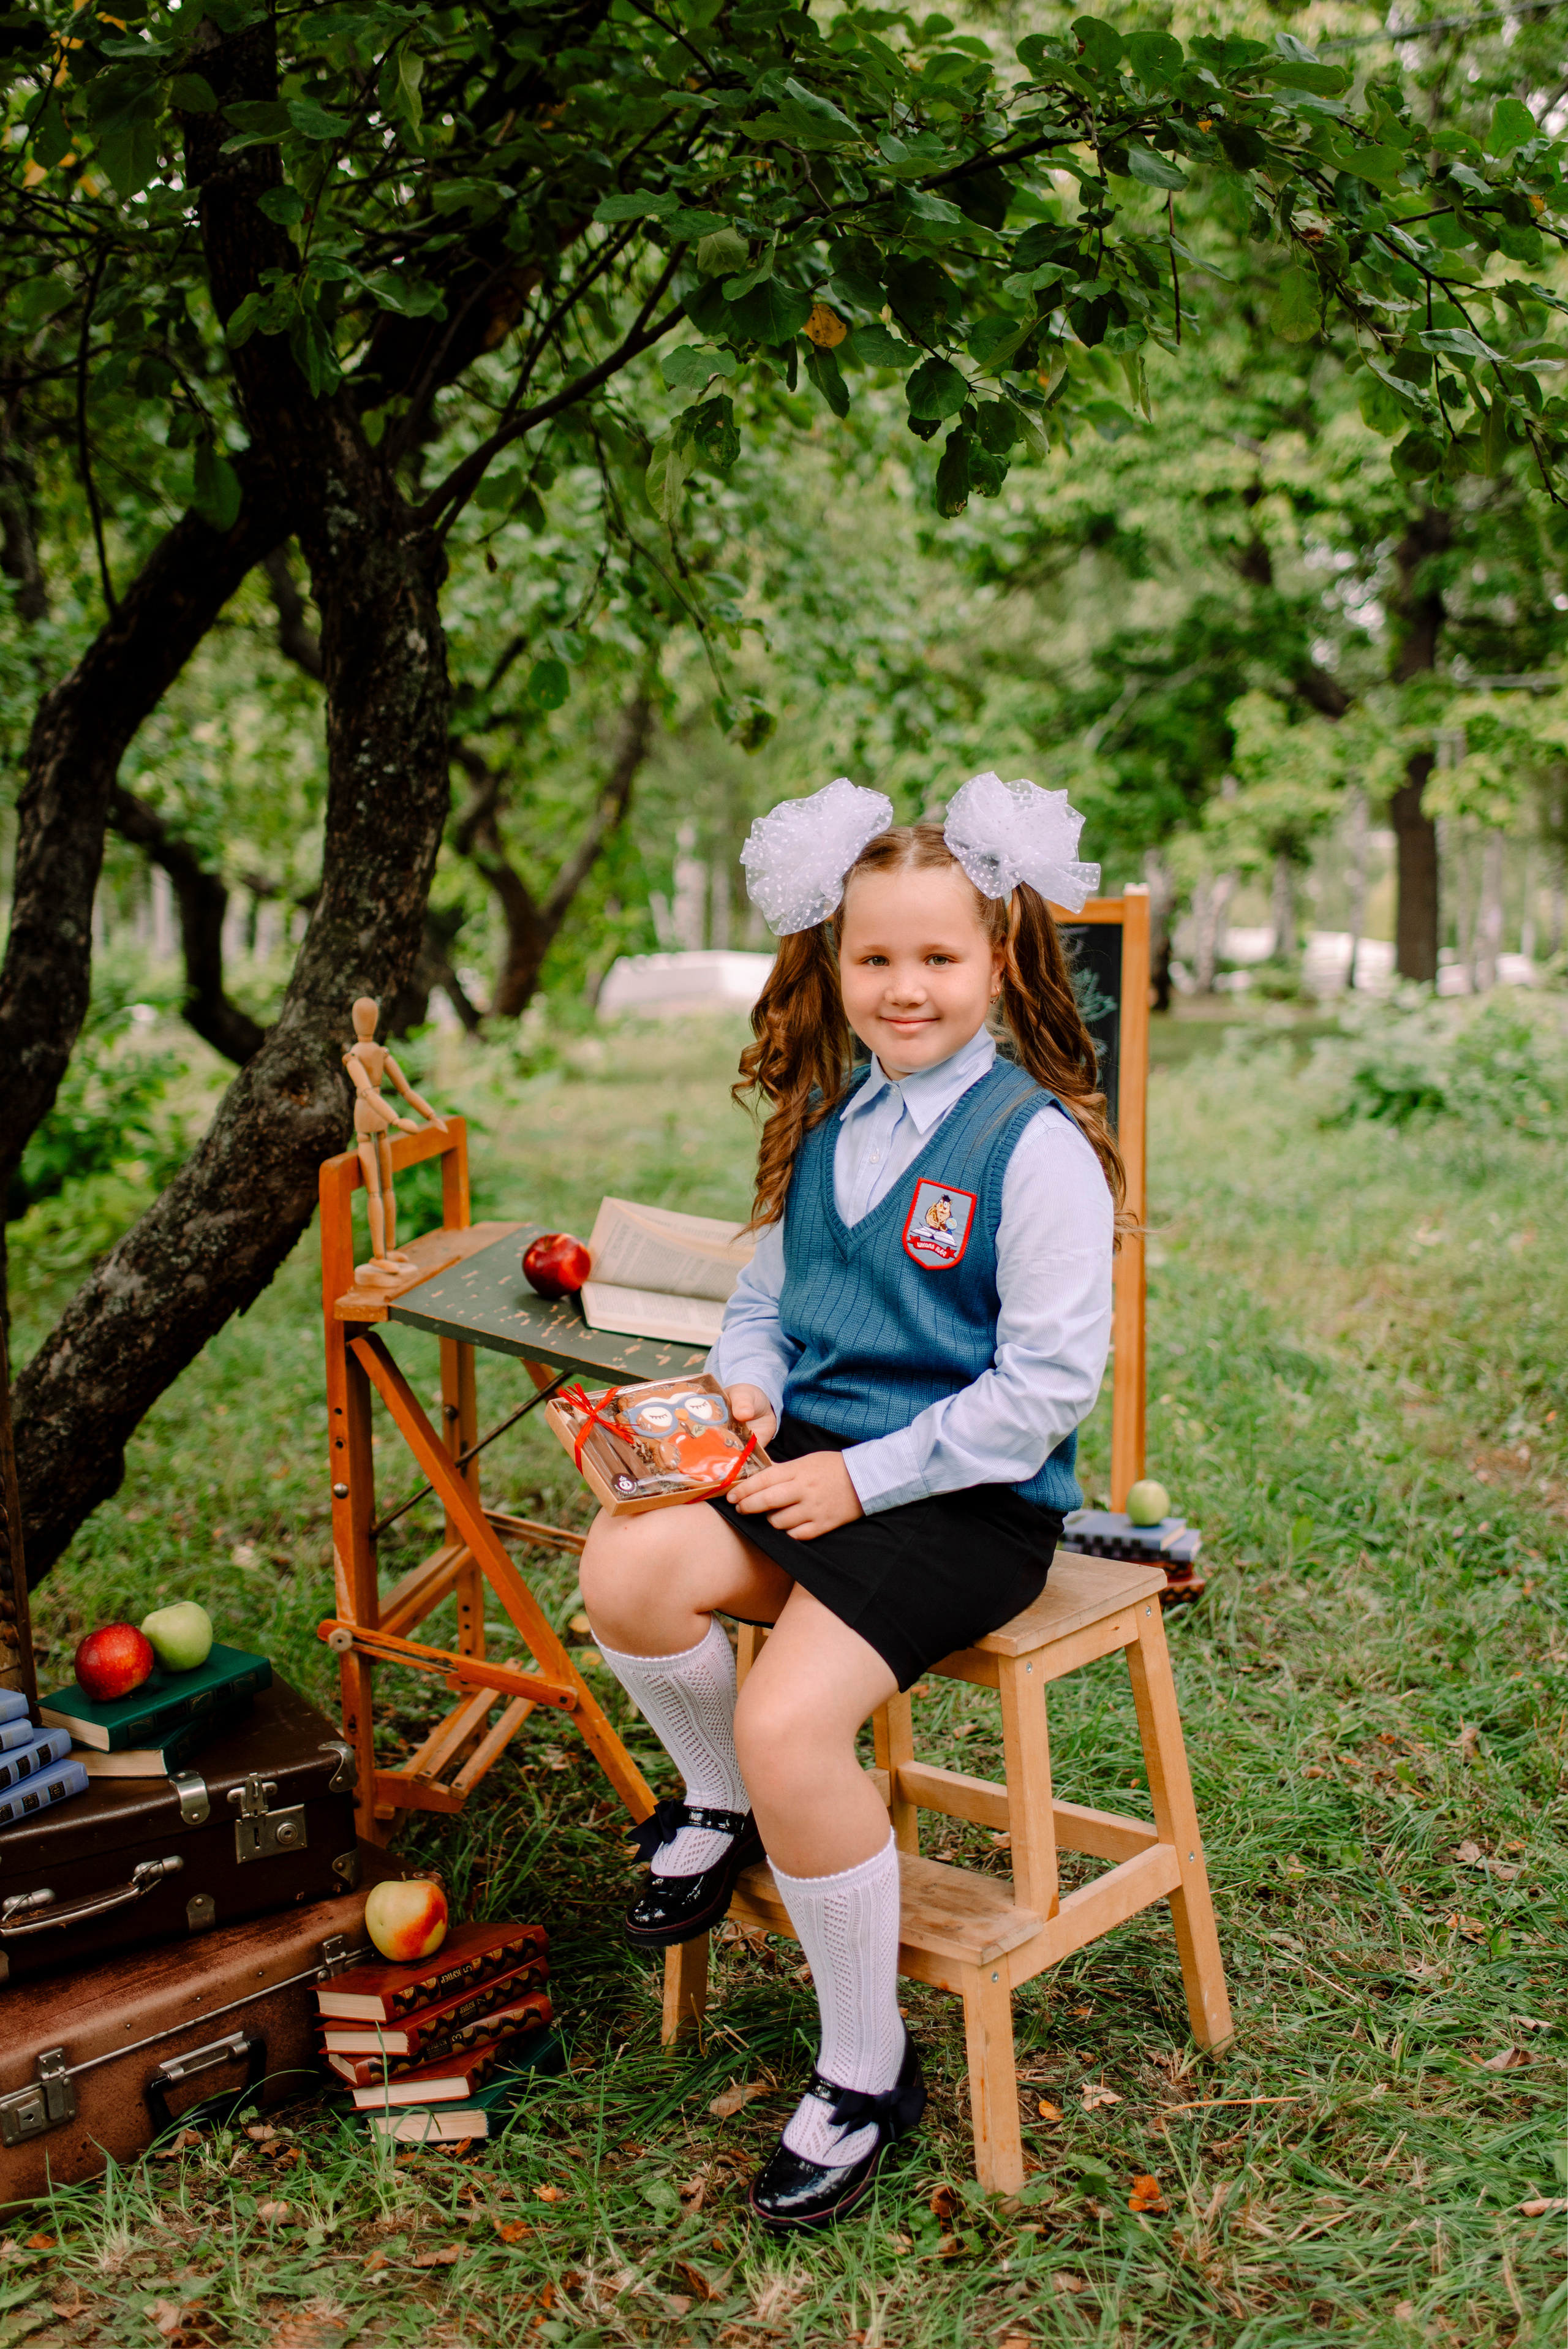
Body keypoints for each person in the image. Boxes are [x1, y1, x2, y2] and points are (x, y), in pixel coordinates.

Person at [579, 773, 1122, 2231]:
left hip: (960, 1500)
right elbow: (765, 1304)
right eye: (874, 957)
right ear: (832, 963)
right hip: (811, 1458)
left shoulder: (1034, 1149)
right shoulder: (829, 1121)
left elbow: (1041, 1392)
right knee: (624, 1569)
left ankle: (864, 2066)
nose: (903, 987)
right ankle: (724, 1807)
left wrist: (857, 1475)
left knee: (787, 1714)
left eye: (937, 958)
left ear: (996, 961)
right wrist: (749, 1393)